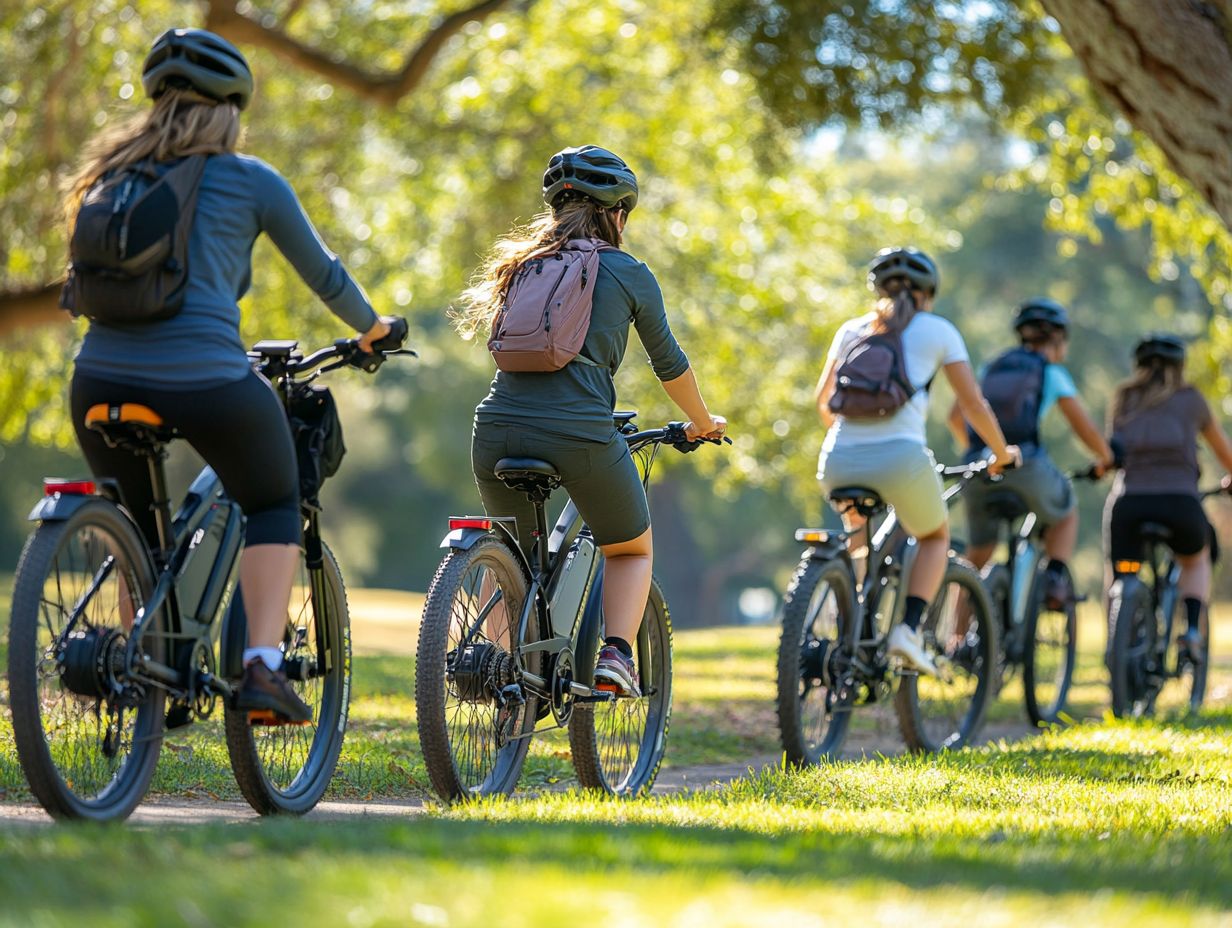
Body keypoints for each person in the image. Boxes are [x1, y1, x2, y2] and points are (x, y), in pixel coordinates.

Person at [66, 28, 397, 722]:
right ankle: (261, 669)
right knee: (274, 501)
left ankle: (143, 661)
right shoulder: (249, 179)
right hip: (207, 380)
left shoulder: (111, 176)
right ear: (231, 112)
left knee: (135, 524)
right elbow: (325, 274)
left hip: (95, 380)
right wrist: (373, 330)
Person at [455, 145, 725, 696]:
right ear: (618, 214)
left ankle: (502, 671)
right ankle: (617, 656)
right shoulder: (628, 272)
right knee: (630, 549)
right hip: (580, 434)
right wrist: (702, 422)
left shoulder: (520, 268)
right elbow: (669, 363)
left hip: (495, 430)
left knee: (513, 552)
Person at [815, 247, 1020, 675]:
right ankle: (906, 630)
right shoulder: (939, 330)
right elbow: (974, 406)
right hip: (901, 458)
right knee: (933, 536)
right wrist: (1002, 454)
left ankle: (847, 622)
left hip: (837, 456)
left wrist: (855, 443)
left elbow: (823, 402)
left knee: (857, 538)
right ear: (928, 293)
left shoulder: (852, 329)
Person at [948, 298, 1114, 607]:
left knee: (976, 558)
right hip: (1024, 463)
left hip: (979, 465)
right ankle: (1054, 581)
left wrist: (978, 452)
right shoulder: (1050, 372)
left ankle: (956, 639)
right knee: (1065, 512)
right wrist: (1107, 458)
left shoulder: (991, 367)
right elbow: (1085, 428)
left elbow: (955, 417)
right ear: (1058, 338)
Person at [1105, 333, 1232, 663]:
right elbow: (1225, 452)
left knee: (1123, 571)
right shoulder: (1191, 399)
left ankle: (1117, 634)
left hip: (1129, 503)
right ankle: (1191, 631)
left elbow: (1112, 453)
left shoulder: (1124, 397)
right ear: (1181, 365)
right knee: (1194, 558)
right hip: (1181, 504)